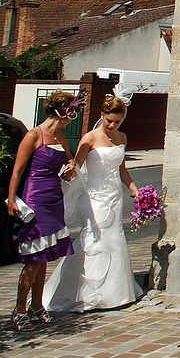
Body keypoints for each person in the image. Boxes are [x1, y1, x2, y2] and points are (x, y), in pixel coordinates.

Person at [43, 93, 142, 312]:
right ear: (102, 116)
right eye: (109, 121)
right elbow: (76, 167)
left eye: (117, 122)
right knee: (94, 239)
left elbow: (122, 169)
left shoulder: (122, 138)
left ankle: (116, 293)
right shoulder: (89, 138)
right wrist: (68, 170)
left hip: (114, 196)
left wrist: (134, 189)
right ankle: (82, 292)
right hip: (94, 197)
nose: (112, 126)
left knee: (115, 239)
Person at [6, 89, 80, 331]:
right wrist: (11, 199)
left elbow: (69, 160)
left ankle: (37, 306)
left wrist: (70, 167)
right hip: (35, 199)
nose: (74, 116)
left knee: (45, 254)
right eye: (72, 111)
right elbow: (17, 170)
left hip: (53, 198)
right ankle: (19, 308)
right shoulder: (33, 136)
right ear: (61, 111)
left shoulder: (60, 137)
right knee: (33, 257)